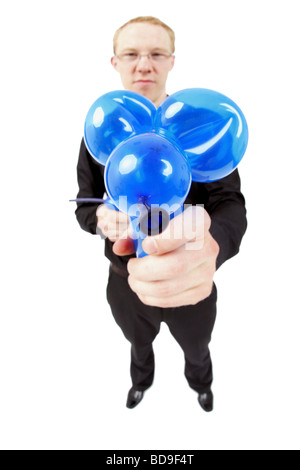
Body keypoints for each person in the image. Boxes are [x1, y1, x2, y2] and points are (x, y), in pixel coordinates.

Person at [75, 16, 247, 412]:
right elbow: (84, 201)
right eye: (131, 54)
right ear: (115, 62)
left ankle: (200, 384)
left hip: (191, 280)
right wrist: (99, 216)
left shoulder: (201, 130)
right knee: (136, 342)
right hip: (125, 279)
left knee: (198, 345)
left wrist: (212, 246)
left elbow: (231, 204)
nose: (144, 64)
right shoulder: (100, 130)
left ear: (171, 61)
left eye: (156, 53)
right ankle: (142, 381)